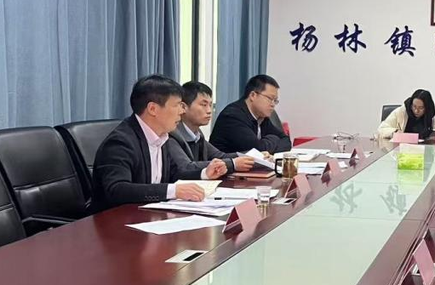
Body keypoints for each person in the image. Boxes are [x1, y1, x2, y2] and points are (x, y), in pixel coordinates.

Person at [93, 75, 225, 210]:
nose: (182, 111)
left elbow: (175, 173)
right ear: (153, 109)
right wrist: (173, 191)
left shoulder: (162, 136)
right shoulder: (120, 142)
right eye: (177, 105)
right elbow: (117, 189)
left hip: (149, 213)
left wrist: (204, 173)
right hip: (117, 218)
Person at [169, 81, 256, 175]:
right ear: (184, 107)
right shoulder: (172, 134)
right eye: (204, 105)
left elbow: (220, 156)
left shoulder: (197, 134)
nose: (209, 111)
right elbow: (186, 167)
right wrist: (232, 164)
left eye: (210, 105)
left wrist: (254, 155)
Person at [210, 74, 292, 154]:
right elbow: (257, 150)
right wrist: (274, 138)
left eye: (275, 100)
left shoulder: (261, 116)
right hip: (225, 163)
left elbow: (286, 141)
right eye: (270, 98)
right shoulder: (232, 116)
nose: (273, 104)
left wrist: (267, 143)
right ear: (253, 95)